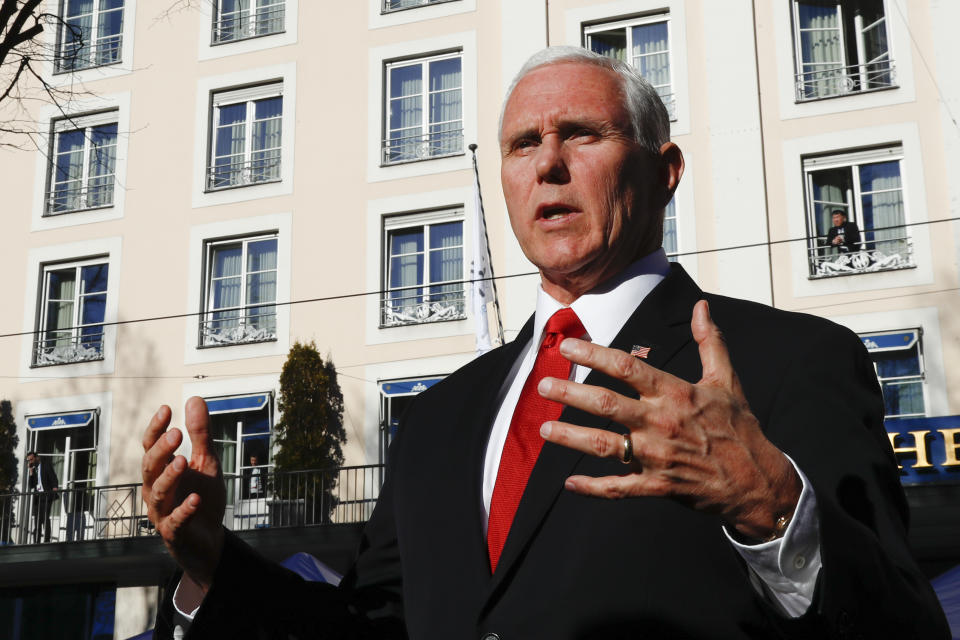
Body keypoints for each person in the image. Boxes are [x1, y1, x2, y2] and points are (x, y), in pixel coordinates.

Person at [142, 47, 948, 638]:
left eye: (582, 135)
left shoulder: (786, 362)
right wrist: (214, 565)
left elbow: (902, 626)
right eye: (523, 144)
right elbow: (368, 626)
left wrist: (772, 507)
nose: (549, 165)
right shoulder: (438, 422)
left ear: (663, 171)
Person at [26, 451, 59, 544]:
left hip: (47, 495)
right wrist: (31, 472)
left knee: (45, 517)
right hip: (37, 497)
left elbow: (53, 478)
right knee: (37, 519)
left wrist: (55, 488)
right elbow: (31, 486)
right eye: (28, 460)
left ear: (37, 457)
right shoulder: (33, 469)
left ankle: (47, 540)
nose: (30, 462)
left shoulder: (45, 466)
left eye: (31, 459)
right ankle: (36, 541)